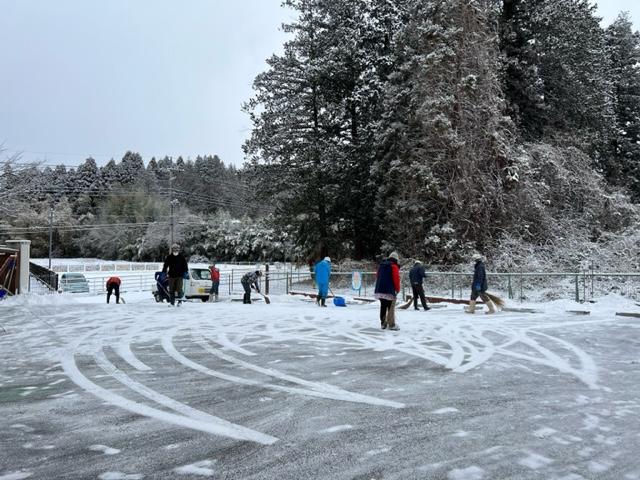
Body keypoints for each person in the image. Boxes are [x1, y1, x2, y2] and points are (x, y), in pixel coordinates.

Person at [374, 251, 401, 330]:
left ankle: (383, 323)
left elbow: (377, 276)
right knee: (390, 307)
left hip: (380, 289)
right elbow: (396, 279)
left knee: (383, 306)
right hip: (389, 290)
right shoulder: (394, 266)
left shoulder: (381, 265)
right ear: (396, 259)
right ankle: (391, 324)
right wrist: (397, 289)